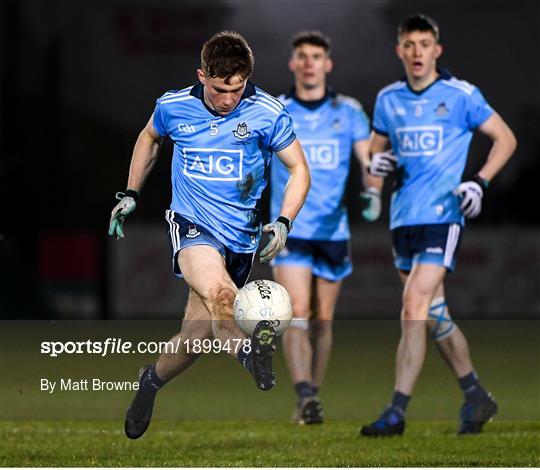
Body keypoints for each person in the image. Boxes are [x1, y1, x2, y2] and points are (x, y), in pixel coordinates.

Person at [108, 30, 310, 439]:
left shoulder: (267, 113)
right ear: (202, 76)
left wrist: (284, 222)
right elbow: (150, 137)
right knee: (222, 296)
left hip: (241, 239)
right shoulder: (173, 106)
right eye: (219, 89)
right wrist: (131, 193)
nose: (228, 99)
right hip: (191, 225)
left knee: (197, 338)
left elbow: (300, 171)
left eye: (237, 89)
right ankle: (253, 354)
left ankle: (149, 382)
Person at [360, 14, 517, 436]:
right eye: (409, 44)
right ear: (400, 51)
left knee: (413, 308)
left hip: (443, 216)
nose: (416, 52)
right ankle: (476, 396)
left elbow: (506, 138)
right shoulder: (389, 99)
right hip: (403, 219)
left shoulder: (461, 95)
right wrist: (374, 175)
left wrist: (480, 182)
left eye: (424, 44)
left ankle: (396, 411)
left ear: (436, 50)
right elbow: (372, 162)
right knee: (434, 313)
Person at [270, 31, 382, 425]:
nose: (309, 62)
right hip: (290, 228)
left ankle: (312, 396)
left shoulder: (348, 111)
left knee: (322, 321)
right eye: (302, 56)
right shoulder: (277, 110)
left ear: (327, 63)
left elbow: (369, 160)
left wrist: (374, 192)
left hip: (333, 231)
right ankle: (304, 396)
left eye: (316, 56)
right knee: (297, 313)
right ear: (292, 63)